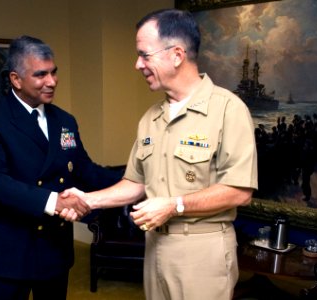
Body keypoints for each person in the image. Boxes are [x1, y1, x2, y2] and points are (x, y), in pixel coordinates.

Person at [63, 9, 258, 300]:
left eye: (144, 55)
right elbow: (136, 183)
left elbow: (239, 191)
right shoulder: (151, 118)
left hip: (201, 252)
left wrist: (174, 205)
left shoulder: (228, 110)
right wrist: (88, 200)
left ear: (176, 55)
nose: (137, 64)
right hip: (154, 248)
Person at [0, 35, 121, 300]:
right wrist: (55, 202)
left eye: (53, 72)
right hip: (10, 253)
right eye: (41, 75)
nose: (51, 82)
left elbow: (85, 170)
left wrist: (137, 175)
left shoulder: (64, 120)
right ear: (16, 79)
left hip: (54, 250)